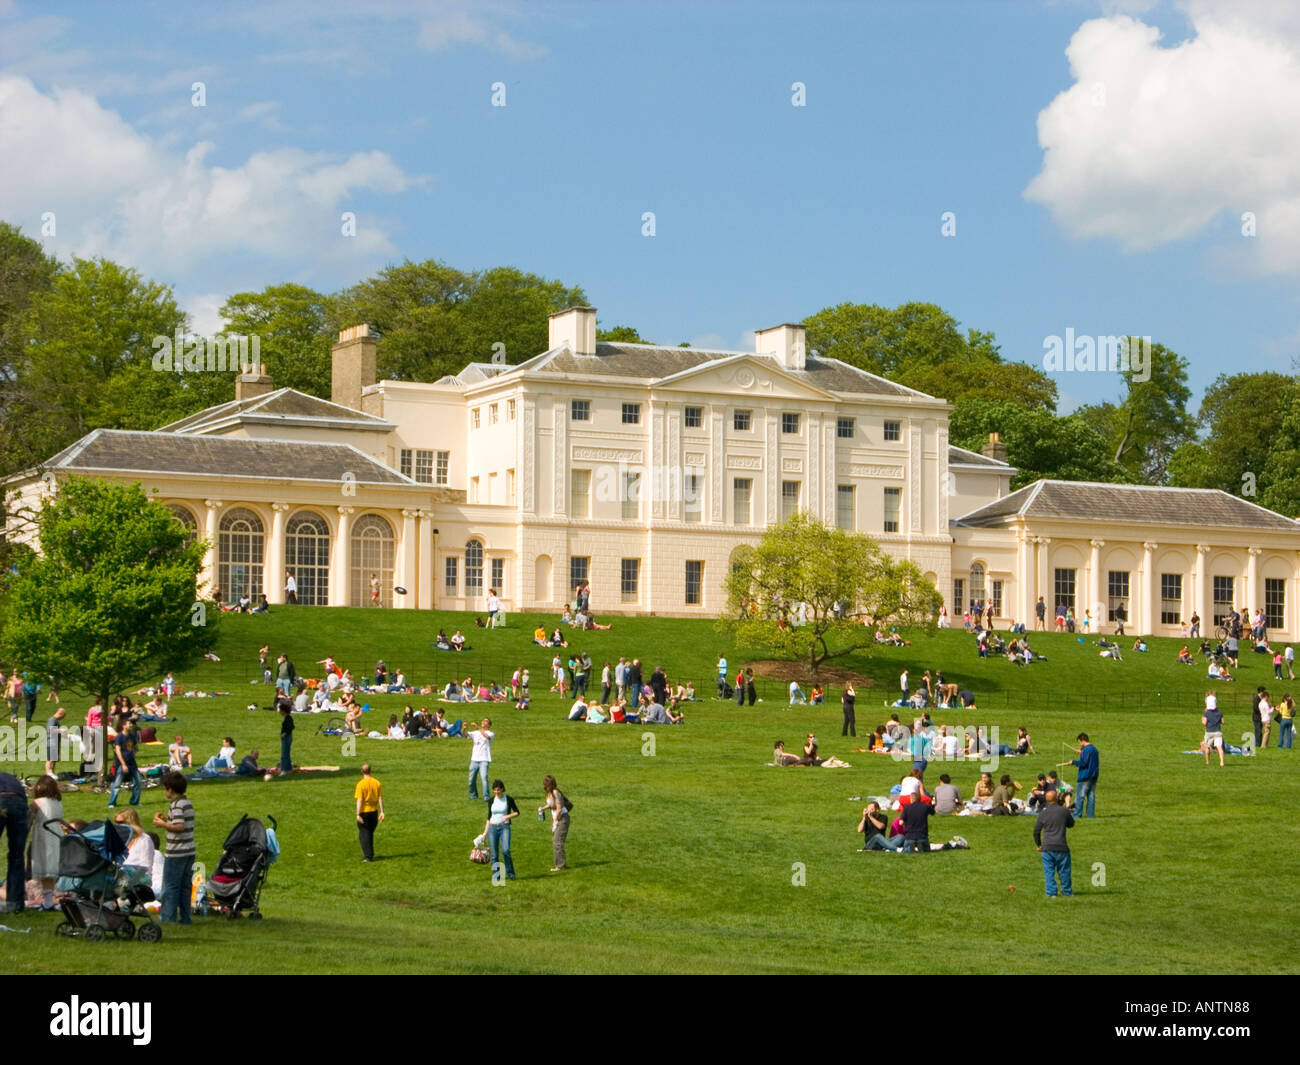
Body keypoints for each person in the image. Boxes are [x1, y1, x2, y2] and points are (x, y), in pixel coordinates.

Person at [153, 772, 195, 924]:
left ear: (170, 789)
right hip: (189, 851)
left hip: (176, 853)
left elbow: (179, 827)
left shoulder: (176, 805)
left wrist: (162, 824)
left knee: (170, 886)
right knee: (185, 887)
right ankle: (185, 917)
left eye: (165, 789)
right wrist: (167, 820)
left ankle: (168, 916)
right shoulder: (187, 803)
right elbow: (179, 822)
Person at [29, 775, 63, 910]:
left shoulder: (37, 802)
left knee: (43, 865)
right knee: (51, 866)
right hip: (55, 834)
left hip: (43, 834)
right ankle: (48, 901)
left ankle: (48, 900)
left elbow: (28, 819)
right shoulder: (58, 803)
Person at [1034, 788, 1075, 897]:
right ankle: (1067, 891)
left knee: (1049, 872)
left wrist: (1038, 845)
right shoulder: (1064, 811)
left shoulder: (1043, 813)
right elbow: (1071, 824)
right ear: (1057, 798)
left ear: (1046, 800)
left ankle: (1052, 893)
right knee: (1064, 871)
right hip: (1062, 846)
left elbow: (1036, 831)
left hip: (1047, 847)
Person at [482, 780, 519, 882]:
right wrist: (485, 833)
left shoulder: (508, 799)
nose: (496, 792)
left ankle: (511, 873)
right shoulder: (491, 800)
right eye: (494, 790)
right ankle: (497, 876)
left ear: (502, 789)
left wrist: (508, 816)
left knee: (506, 850)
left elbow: (517, 812)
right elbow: (489, 817)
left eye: (498, 790)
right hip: (492, 828)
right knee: (494, 854)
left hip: (504, 827)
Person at [107, 718, 142, 807]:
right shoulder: (119, 737)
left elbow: (133, 748)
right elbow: (117, 751)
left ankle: (135, 801)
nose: (130, 725)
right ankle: (112, 803)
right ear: (124, 726)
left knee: (138, 782)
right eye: (129, 723)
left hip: (132, 764)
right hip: (121, 764)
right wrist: (123, 764)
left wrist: (133, 755)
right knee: (117, 784)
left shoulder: (132, 736)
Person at [539, 774, 570, 871]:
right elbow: (551, 804)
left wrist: (555, 820)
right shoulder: (549, 793)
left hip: (562, 819)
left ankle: (560, 865)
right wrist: (543, 808)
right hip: (557, 818)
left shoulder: (556, 792)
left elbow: (559, 808)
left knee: (557, 842)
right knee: (556, 841)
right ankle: (561, 864)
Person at [355, 763, 384, 862]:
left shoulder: (360, 784)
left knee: (364, 834)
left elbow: (359, 800)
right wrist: (382, 812)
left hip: (364, 812)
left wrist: (358, 814)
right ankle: (370, 854)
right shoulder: (377, 783)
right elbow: (380, 798)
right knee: (369, 834)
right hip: (374, 812)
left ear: (362, 771)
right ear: (370, 771)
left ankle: (367, 856)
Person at [1070, 733, 1099, 818]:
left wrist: (1073, 762)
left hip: (1085, 776)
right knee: (1091, 796)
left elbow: (1083, 763)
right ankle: (1090, 816)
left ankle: (1077, 815)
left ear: (1082, 741)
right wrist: (1081, 753)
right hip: (1094, 776)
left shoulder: (1086, 750)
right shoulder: (1094, 749)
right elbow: (1090, 759)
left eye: (1079, 742)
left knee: (1080, 797)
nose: (1079, 744)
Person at [467, 718, 494, 800]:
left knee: (484, 778)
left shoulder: (490, 733)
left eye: (485, 721)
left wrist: (478, 728)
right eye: (483, 721)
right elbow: (466, 734)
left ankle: (486, 796)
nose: (483, 722)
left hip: (484, 759)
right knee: (471, 779)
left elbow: (487, 737)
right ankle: (473, 795)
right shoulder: (476, 733)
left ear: (488, 725)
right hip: (474, 759)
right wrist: (464, 728)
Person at [1203, 696, 1226, 767]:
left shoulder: (1206, 713)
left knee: (1207, 747)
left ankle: (1207, 761)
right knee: (1219, 747)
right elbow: (1223, 721)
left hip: (1209, 732)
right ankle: (1222, 762)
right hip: (1217, 732)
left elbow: (1204, 722)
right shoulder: (1220, 712)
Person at [279, 701, 294, 773]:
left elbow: (291, 727)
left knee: (284, 754)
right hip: (287, 737)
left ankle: (284, 769)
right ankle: (289, 768)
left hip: (287, 737)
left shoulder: (288, 718)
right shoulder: (288, 718)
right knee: (286, 753)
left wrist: (284, 733)